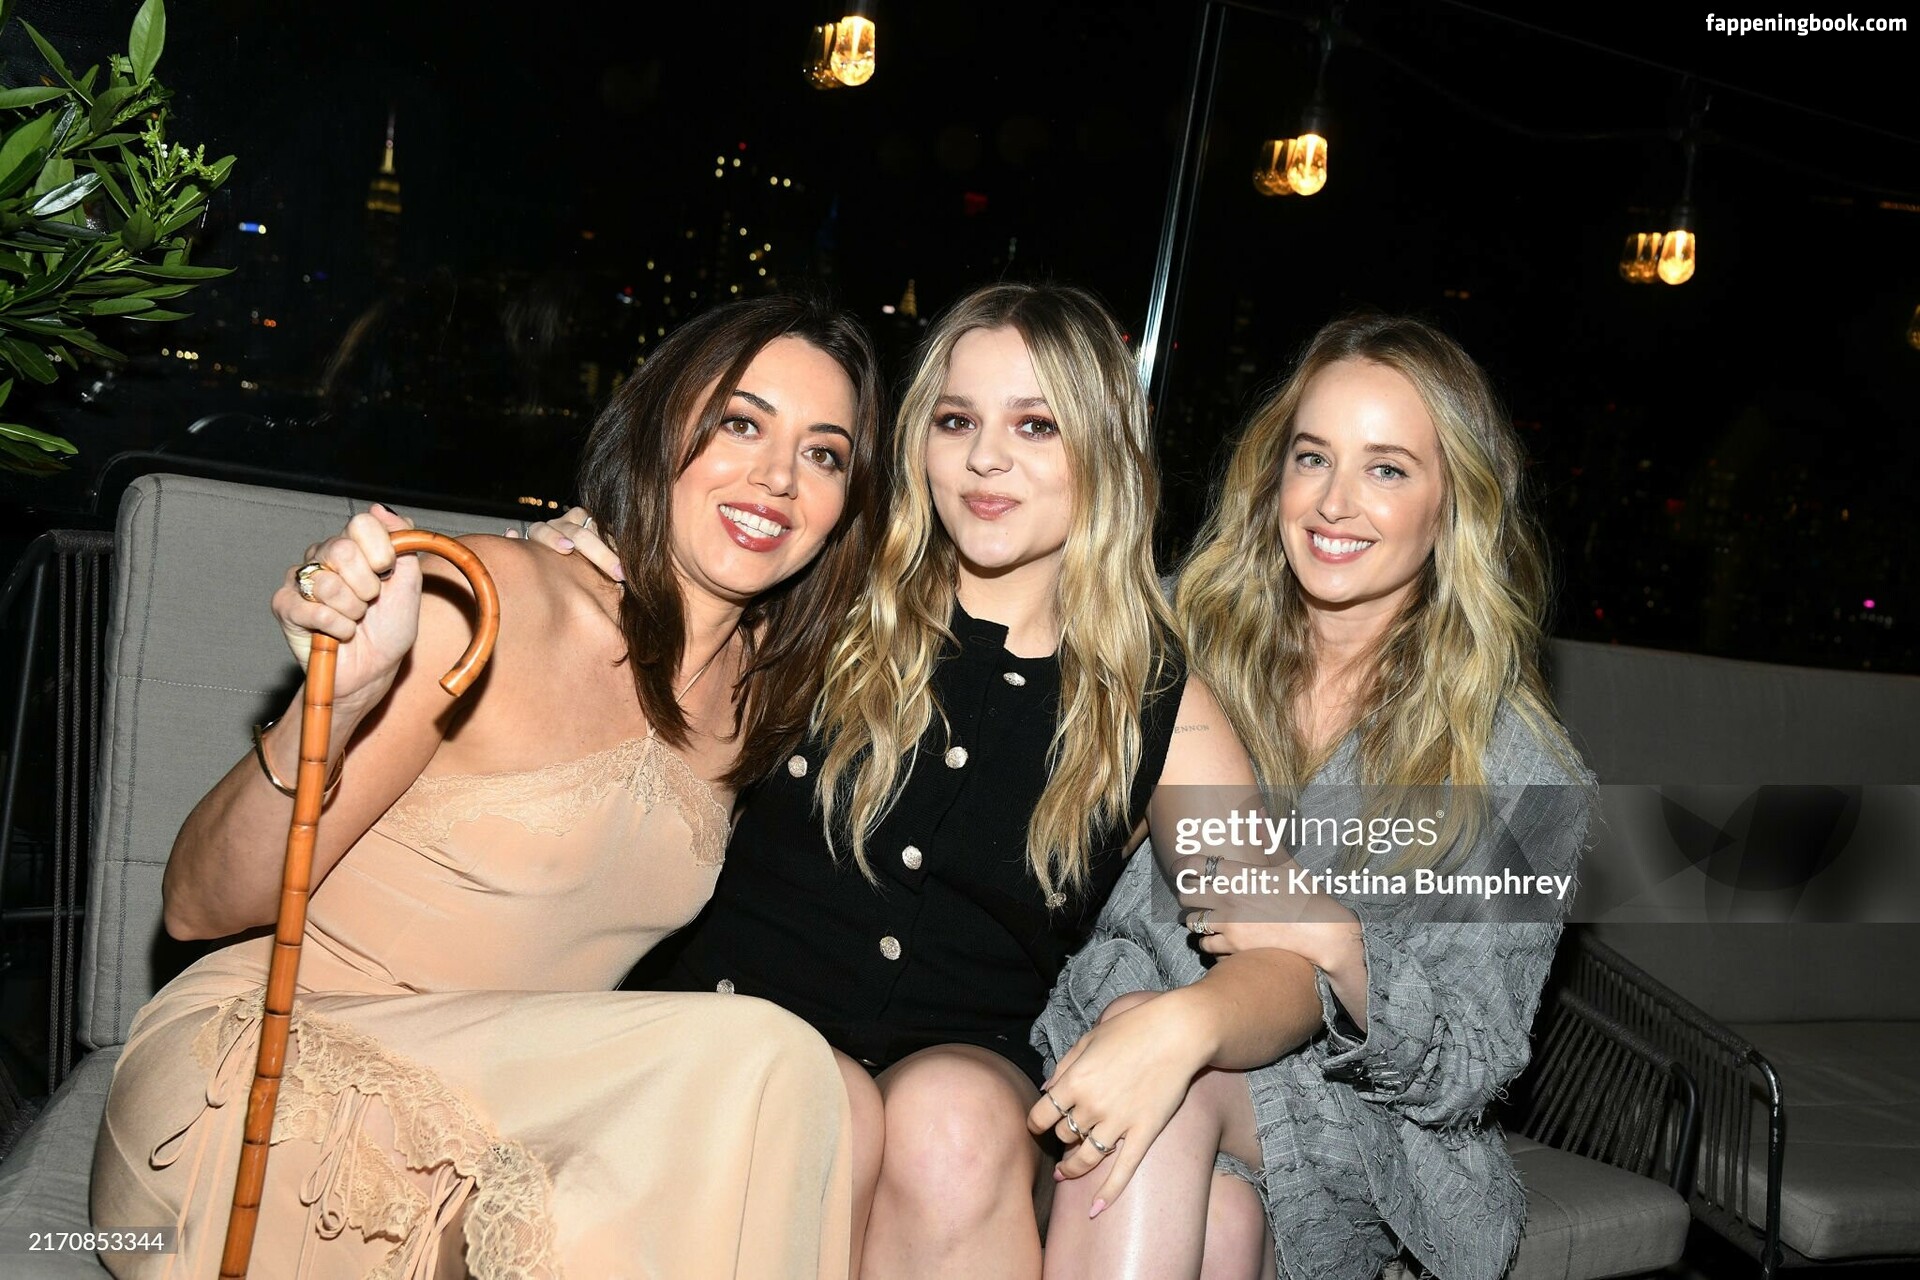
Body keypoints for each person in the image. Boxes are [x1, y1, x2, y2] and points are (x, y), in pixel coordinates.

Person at [88, 294, 888, 1279]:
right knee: (764, 1063)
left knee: (822, 1101)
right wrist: (337, 705)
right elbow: (198, 904)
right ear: (657, 426)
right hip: (274, 1087)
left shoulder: (764, 693)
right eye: (739, 422)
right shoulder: (486, 606)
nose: (777, 477)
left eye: (824, 453)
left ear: (847, 506)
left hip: (506, 1124)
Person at [530, 281, 1299, 1279]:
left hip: (965, 1082)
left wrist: (1184, 1025)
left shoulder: (1152, 700)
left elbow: (1288, 962)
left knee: (954, 1121)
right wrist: (578, 559)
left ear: (1105, 450)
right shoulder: (820, 599)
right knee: (817, 1099)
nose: (986, 458)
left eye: (1035, 425)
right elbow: (652, 589)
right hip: (728, 1031)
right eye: (956, 420)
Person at [1031, 313, 1595, 1280]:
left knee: (1170, 1089)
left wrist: (1337, 941)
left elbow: (1475, 1065)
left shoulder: (1527, 769)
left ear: (1454, 505)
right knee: (1215, 1216)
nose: (1335, 503)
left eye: (1388, 469)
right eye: (1313, 458)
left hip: (1367, 1131)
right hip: (1123, 1039)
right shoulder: (1176, 641)